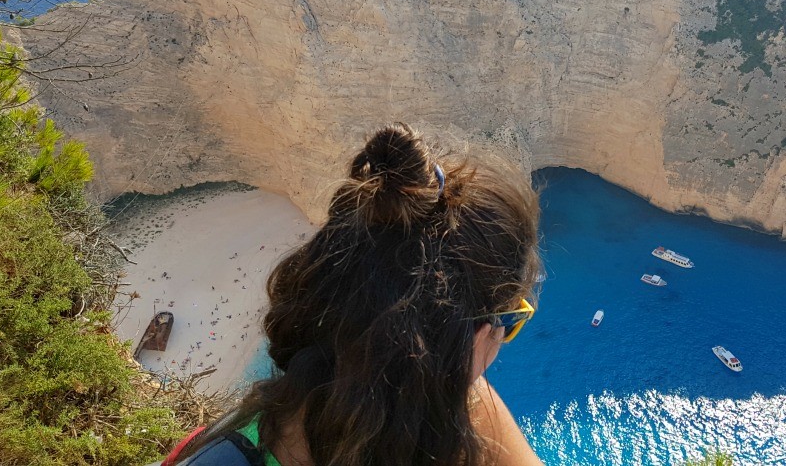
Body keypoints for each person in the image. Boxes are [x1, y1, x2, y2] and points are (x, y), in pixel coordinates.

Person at [165, 123, 544, 466]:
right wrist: (447, 361)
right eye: (512, 323)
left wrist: (447, 360)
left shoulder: (259, 431)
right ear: (472, 339)